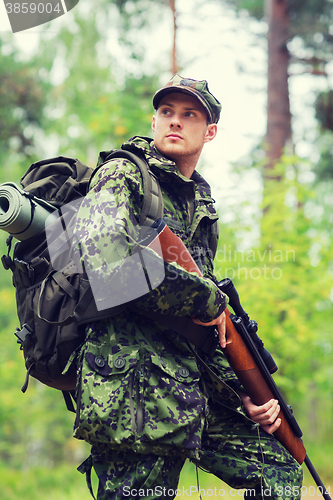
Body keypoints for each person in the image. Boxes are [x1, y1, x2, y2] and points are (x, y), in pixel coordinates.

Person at [73, 75, 303, 500]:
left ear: (209, 131)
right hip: (133, 397)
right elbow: (105, 262)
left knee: (279, 470)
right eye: (167, 112)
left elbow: (203, 327)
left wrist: (241, 399)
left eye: (189, 114)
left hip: (190, 394)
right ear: (155, 120)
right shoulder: (124, 173)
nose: (174, 122)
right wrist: (203, 294)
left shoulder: (200, 202)